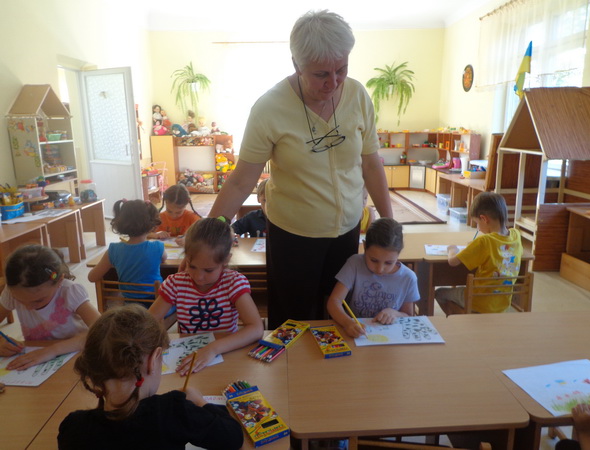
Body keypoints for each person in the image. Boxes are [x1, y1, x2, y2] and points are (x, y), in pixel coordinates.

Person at [208, 10, 392, 327]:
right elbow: (241, 180)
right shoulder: (269, 108)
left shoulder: (358, 95)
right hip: (293, 236)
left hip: (346, 231)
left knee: (337, 317)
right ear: (297, 64)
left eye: (341, 69)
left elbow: (371, 164)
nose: (333, 82)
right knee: (292, 322)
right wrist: (210, 232)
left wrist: (389, 225)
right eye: (321, 74)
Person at [57, 304, 243, 450]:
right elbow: (232, 438)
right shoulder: (174, 411)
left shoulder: (73, 428)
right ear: (153, 360)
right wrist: (201, 402)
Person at [149, 218, 264, 374]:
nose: (198, 276)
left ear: (226, 260)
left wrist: (213, 349)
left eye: (208, 270)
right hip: (188, 359)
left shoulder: (233, 283)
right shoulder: (175, 283)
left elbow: (256, 328)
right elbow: (148, 322)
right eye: (192, 266)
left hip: (226, 355)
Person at [0, 245, 100, 371]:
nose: (29, 307)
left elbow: (101, 331)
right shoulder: (11, 293)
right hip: (38, 362)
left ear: (59, 281)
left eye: (38, 300)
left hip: (76, 356)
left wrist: (53, 350)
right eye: (20, 300)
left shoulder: (69, 291)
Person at [327, 218, 419, 338]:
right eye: (374, 260)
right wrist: (347, 323)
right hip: (356, 335)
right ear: (365, 246)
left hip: (390, 337)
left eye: (388, 263)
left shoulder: (408, 278)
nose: (380, 269)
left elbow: (408, 315)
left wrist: (395, 313)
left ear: (399, 253)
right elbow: (334, 302)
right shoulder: (354, 264)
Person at [435, 191, 523, 313]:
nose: (478, 228)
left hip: (479, 301)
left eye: (477, 223)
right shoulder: (516, 235)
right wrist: (475, 246)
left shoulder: (484, 241)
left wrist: (452, 249)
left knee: (439, 293)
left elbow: (453, 261)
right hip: (503, 303)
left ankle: (461, 318)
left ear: (484, 219)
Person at [88, 199, 166, 305]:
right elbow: (164, 259)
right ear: (152, 223)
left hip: (130, 305)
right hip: (156, 305)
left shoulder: (113, 250)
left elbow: (92, 277)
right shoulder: (158, 246)